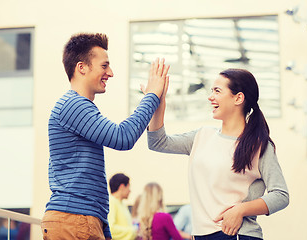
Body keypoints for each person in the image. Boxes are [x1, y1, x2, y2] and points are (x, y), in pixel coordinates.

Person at [41, 32, 170, 240]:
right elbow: (123, 137)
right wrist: (152, 95)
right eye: (104, 66)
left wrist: (103, 228)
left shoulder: (80, 108)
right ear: (81, 67)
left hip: (83, 219)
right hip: (73, 219)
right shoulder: (73, 105)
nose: (110, 72)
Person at [147, 68, 289, 240]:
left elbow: (281, 195)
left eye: (217, 91)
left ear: (238, 98)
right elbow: (157, 142)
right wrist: (158, 102)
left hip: (236, 235)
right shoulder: (201, 136)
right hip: (200, 235)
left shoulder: (259, 146)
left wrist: (240, 210)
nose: (210, 97)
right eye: (211, 91)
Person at [108, 173, 137, 240]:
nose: (130, 191)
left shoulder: (122, 204)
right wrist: (134, 231)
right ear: (122, 187)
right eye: (128, 187)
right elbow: (110, 229)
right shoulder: (111, 202)